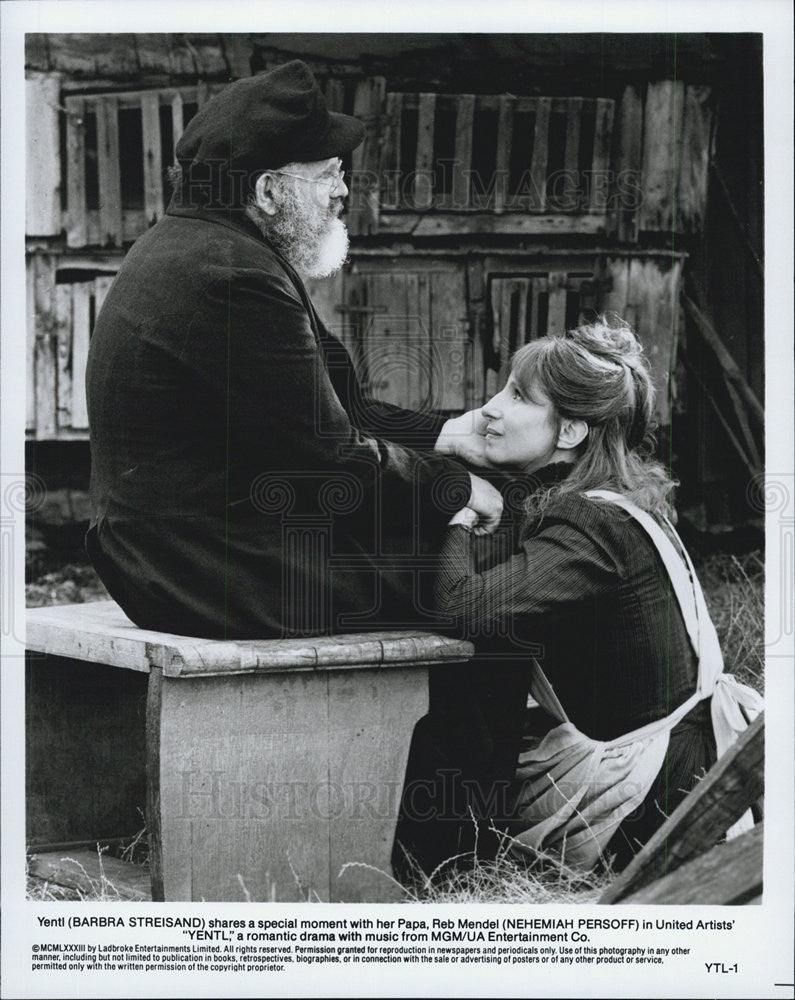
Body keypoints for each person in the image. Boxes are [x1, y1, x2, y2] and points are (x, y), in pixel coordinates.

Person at [85, 60, 502, 639]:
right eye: (329, 174)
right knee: (488, 572)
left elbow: (339, 409)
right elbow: (330, 457)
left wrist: (451, 434)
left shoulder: (200, 246)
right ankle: (489, 732)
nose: (343, 190)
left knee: (451, 538)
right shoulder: (233, 278)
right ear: (268, 191)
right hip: (208, 570)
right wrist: (451, 486)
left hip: (181, 552)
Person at [393, 316, 761, 877]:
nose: (490, 407)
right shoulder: (610, 501)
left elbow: (461, 607)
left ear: (569, 433)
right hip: (676, 777)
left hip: (656, 807)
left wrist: (460, 507)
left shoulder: (592, 521)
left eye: (517, 395)